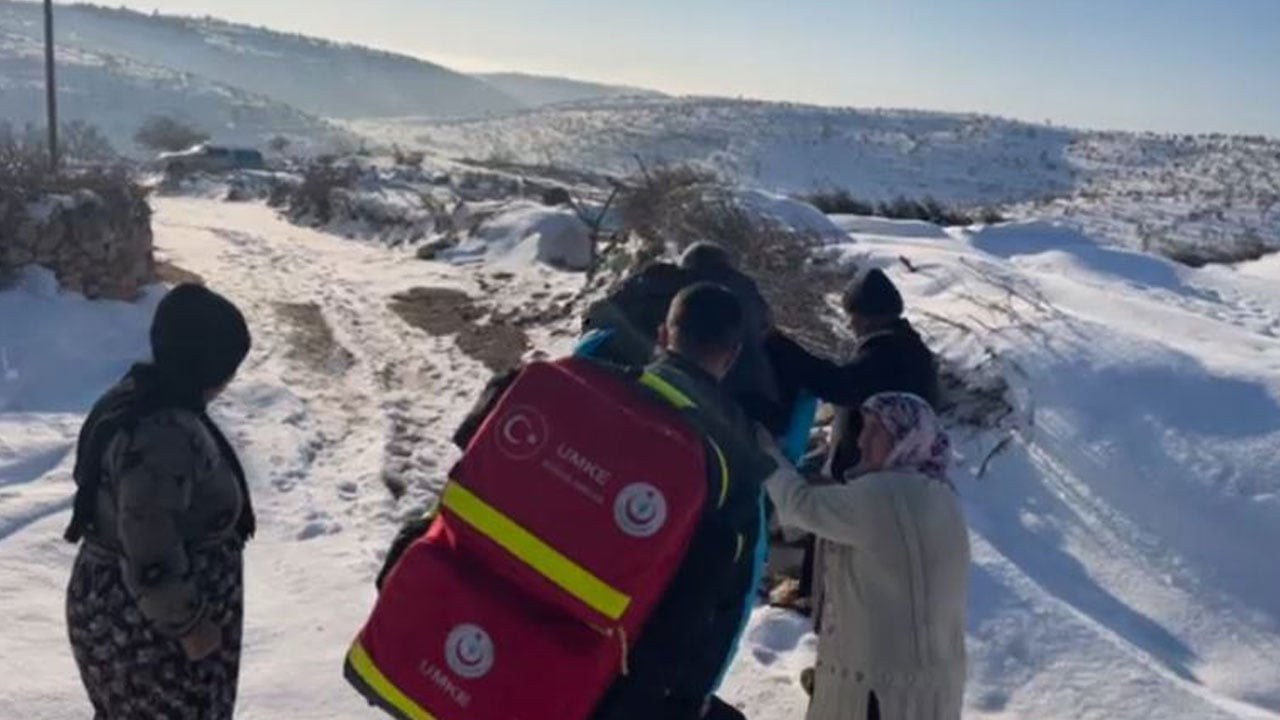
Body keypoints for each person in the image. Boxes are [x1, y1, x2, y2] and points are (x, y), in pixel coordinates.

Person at [378, 283, 773, 720]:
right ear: (731, 357)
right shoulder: (732, 480)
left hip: (452, 634)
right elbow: (717, 628)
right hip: (578, 689)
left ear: (663, 334)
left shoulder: (566, 385)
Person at [64, 284, 255, 720]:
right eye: (228, 366)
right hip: (151, 630)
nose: (230, 379)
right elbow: (148, 535)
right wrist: (187, 625)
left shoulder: (144, 394)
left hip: (136, 614)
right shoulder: (161, 433)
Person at [764, 393, 969, 720]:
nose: (861, 439)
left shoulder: (886, 495)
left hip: (879, 694)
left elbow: (799, 505)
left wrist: (766, 454)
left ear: (905, 438)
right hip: (929, 690)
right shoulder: (942, 496)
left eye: (875, 431)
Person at [767, 267, 941, 606]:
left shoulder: (887, 353)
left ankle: (815, 604)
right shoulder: (909, 349)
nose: (850, 325)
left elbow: (838, 384)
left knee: (837, 542)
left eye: (853, 317)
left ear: (866, 318)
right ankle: (807, 593)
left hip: (874, 472)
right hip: (891, 470)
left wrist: (778, 344)